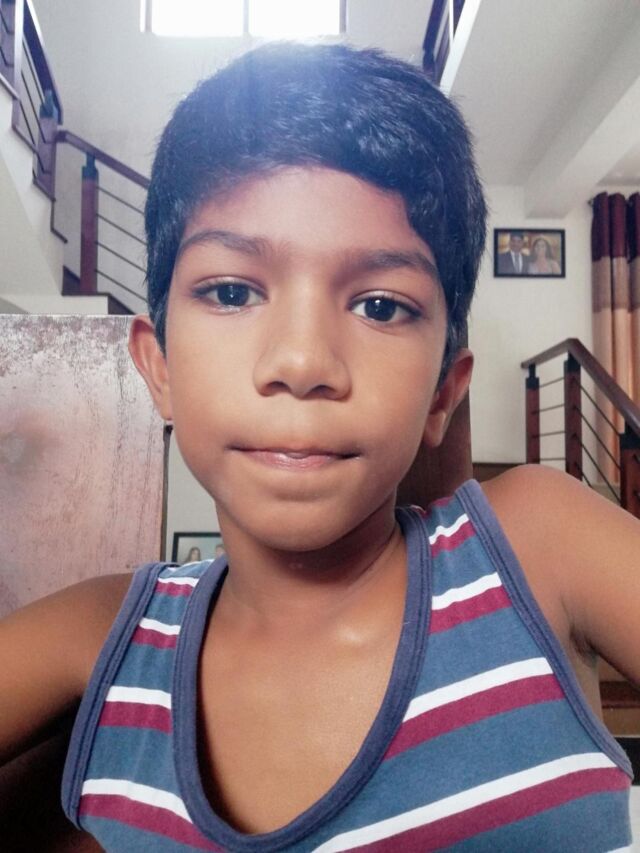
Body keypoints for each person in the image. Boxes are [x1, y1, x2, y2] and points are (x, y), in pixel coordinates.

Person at [1, 43, 638, 851]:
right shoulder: (104, 632)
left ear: (443, 393)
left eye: (380, 305)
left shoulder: (539, 545)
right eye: (231, 291)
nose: (302, 362)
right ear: (158, 368)